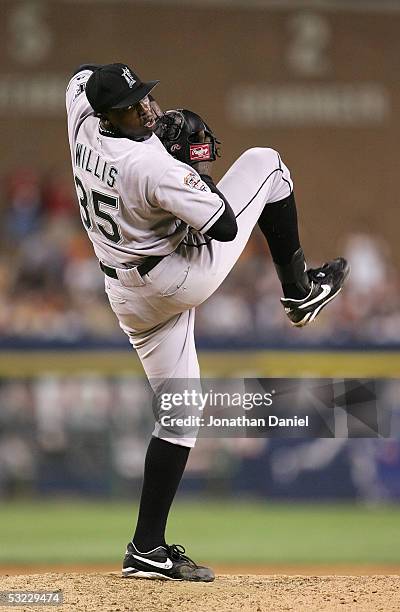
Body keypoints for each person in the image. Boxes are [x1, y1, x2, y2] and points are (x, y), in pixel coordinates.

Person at [65, 63, 349, 582]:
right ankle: (301, 291)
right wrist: (190, 167)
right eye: (133, 105)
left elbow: (81, 77)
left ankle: (146, 549)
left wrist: (114, 87)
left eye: (144, 96)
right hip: (174, 276)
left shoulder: (82, 118)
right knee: (269, 165)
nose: (146, 108)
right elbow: (222, 224)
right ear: (111, 115)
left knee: (181, 413)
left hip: (126, 291)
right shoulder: (150, 165)